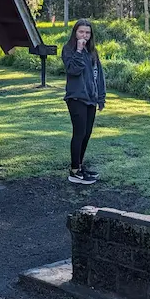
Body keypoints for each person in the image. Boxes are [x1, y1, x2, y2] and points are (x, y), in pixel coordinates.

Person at [61, 19, 106, 185]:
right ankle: (74, 171)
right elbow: (73, 69)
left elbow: (98, 76)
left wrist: (101, 97)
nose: (84, 35)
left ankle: (80, 166)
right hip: (76, 98)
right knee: (79, 133)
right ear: (75, 33)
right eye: (81, 32)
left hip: (91, 99)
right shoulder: (69, 50)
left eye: (87, 33)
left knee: (87, 134)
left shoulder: (93, 52)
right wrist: (79, 50)